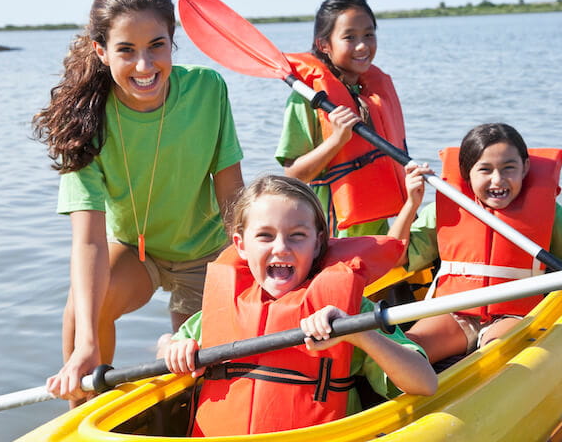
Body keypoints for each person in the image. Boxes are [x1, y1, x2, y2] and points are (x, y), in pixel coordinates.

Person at [32, 0, 244, 405]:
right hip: (137, 251)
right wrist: (86, 343)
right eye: (126, 50)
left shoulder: (207, 89)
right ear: (101, 51)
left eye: (157, 46)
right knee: (81, 313)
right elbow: (89, 241)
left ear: (173, 41)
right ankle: (81, 413)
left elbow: (233, 197)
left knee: (195, 375)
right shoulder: (83, 122)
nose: (144, 66)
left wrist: (244, 271)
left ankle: (170, 350)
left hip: (208, 252)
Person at [158, 175, 436, 436]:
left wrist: (358, 334)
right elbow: (166, 348)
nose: (281, 247)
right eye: (265, 236)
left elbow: (425, 383)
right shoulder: (217, 313)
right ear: (241, 245)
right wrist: (173, 346)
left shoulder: (347, 311)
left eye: (297, 235)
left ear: (317, 245)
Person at [388, 123, 562, 364]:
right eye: (485, 169)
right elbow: (396, 256)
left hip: (513, 315)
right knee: (406, 351)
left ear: (524, 167)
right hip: (453, 311)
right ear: (467, 172)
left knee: (493, 356)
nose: (498, 180)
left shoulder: (548, 215)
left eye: (508, 167)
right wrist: (412, 204)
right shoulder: (442, 210)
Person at [275, 0, 408, 237]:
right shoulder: (306, 98)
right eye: (349, 37)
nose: (363, 46)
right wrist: (337, 140)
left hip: (377, 229)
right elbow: (293, 175)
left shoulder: (373, 93)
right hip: (331, 234)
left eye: (369, 34)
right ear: (324, 45)